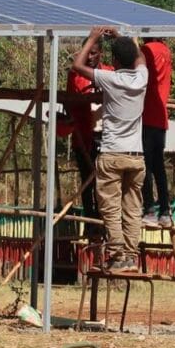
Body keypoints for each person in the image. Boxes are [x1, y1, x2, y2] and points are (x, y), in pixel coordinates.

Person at [71, 26, 148, 273]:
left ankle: (116, 256)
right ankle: (131, 257)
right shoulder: (141, 79)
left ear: (113, 61)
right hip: (137, 157)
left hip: (112, 154)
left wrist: (93, 37)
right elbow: (141, 59)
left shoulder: (110, 79)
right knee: (133, 209)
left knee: (110, 207)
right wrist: (121, 39)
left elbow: (78, 66)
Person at [65, 37, 112, 225]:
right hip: (83, 136)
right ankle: (90, 221)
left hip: (107, 134)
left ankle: (107, 219)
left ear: (101, 53)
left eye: (94, 53)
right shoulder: (75, 75)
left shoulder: (110, 72)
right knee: (87, 181)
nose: (90, 57)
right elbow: (69, 102)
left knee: (106, 180)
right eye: (87, 52)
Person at [140, 37, 173, 228]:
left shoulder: (145, 50)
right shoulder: (166, 51)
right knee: (159, 166)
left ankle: (149, 209)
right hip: (160, 117)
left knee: (145, 166)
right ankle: (165, 211)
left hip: (146, 115)